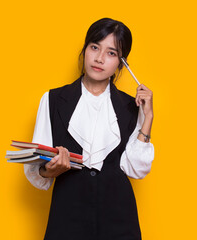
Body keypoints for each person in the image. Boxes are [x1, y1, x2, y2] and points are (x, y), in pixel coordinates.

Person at [24, 18, 154, 240]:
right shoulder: (53, 100)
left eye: (111, 53)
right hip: (67, 219)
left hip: (120, 222)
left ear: (122, 64)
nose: (100, 58)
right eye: (95, 47)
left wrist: (148, 117)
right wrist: (51, 170)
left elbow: (136, 170)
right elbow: (36, 170)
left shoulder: (131, 107)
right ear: (85, 50)